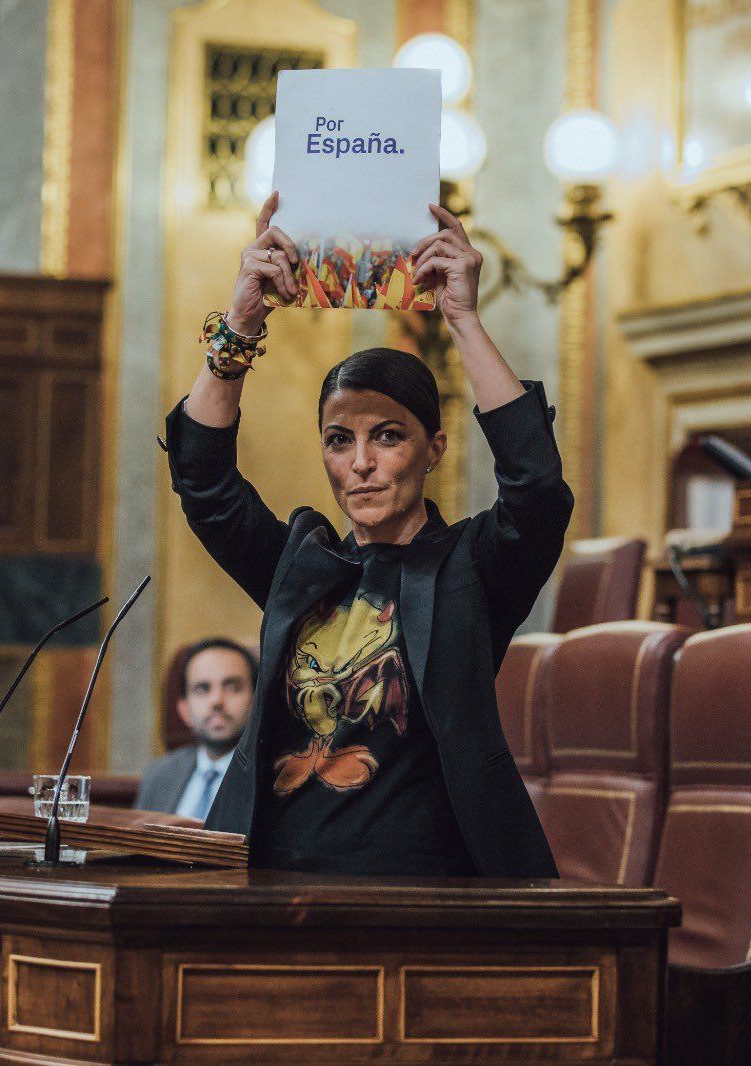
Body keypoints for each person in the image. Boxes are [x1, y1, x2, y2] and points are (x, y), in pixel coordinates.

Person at [162, 192, 572, 878]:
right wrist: (241, 321)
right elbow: (202, 482)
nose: (361, 463)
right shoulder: (300, 564)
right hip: (265, 883)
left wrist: (464, 318)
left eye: (387, 437)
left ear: (433, 448)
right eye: (339, 440)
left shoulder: (471, 567)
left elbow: (536, 489)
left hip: (419, 892)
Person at [134, 638, 257, 820]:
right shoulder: (158, 775)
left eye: (232, 687)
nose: (216, 700)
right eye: (202, 689)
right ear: (184, 710)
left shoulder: (277, 780)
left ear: (257, 700)